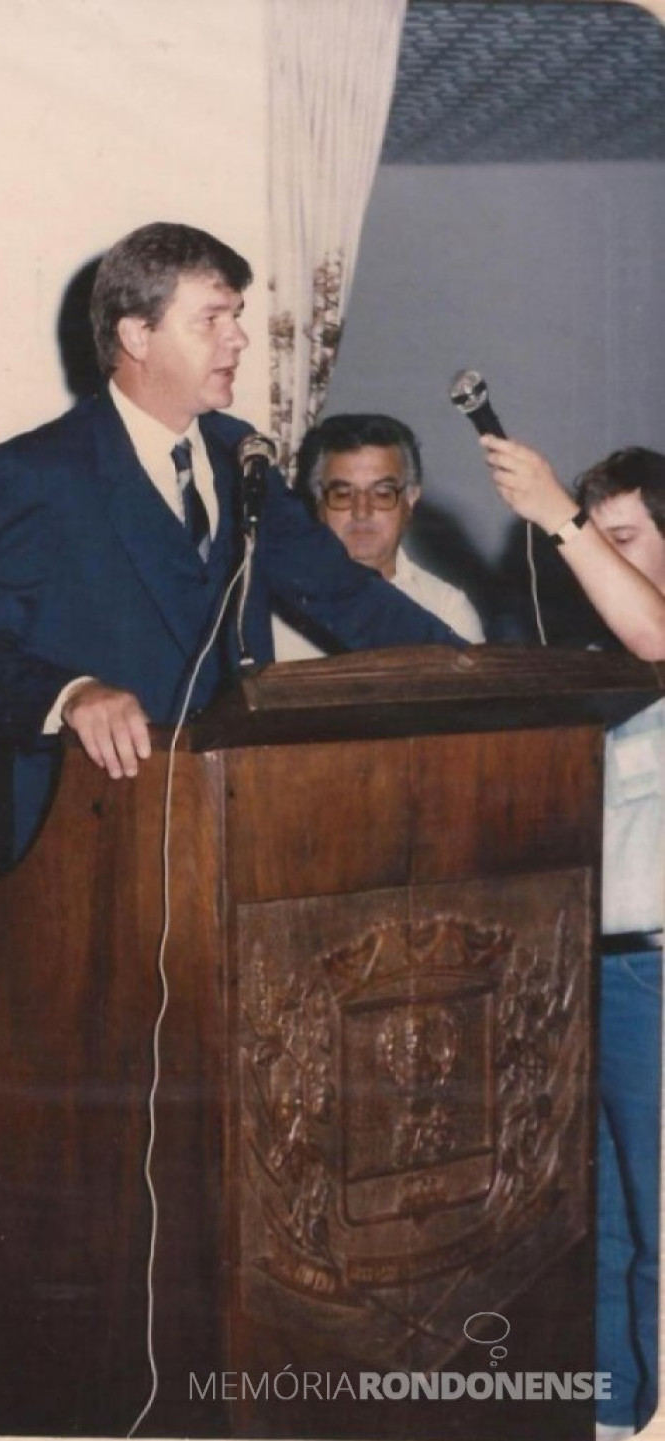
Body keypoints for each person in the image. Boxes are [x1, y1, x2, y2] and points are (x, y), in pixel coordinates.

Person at [0, 222, 463, 861]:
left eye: (236, 316)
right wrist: (71, 695)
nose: (238, 338)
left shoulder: (241, 457)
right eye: (211, 319)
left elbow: (352, 599)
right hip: (92, 847)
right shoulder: (37, 473)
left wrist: (481, 674)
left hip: (238, 833)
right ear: (137, 335)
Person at [483, 436, 665, 1440]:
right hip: (572, 974)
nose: (607, 558)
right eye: (597, 542)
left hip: (653, 971)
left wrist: (556, 514)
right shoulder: (591, 666)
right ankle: (603, 1415)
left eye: (626, 537)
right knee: (589, 1222)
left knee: (659, 1234)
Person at [273, 413, 484, 660]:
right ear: (318, 503)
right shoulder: (276, 607)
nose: (361, 511)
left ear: (411, 498)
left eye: (382, 494)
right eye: (342, 494)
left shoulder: (447, 609)